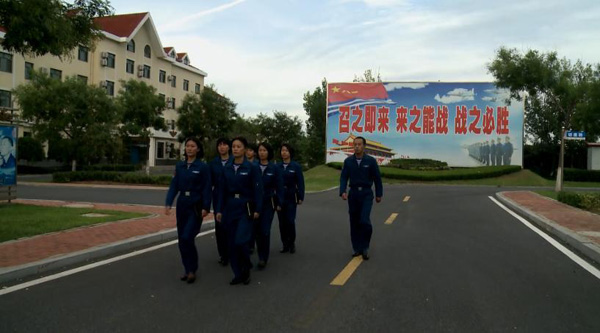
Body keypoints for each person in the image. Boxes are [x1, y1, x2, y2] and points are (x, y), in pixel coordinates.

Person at [215, 137, 263, 285]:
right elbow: (221, 190)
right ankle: (237, 273)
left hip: (245, 207)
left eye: (239, 146)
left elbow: (258, 190)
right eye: (233, 146)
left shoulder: (252, 168)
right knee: (231, 243)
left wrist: (258, 209)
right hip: (230, 207)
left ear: (244, 149)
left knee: (241, 240)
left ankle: (246, 267)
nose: (235, 149)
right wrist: (219, 209)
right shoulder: (227, 168)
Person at [165, 137, 211, 284]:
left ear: (198, 149)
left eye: (193, 146)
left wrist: (206, 206)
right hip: (182, 205)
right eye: (187, 146)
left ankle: (192, 269)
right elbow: (174, 186)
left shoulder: (203, 167)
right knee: (182, 240)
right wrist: (168, 203)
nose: (189, 148)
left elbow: (206, 188)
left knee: (187, 237)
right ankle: (187, 269)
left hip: (195, 206)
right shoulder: (180, 166)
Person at [339, 136, 383, 260]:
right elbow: (343, 177)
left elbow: (377, 179)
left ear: (364, 146)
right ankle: (356, 248)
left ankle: (365, 247)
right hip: (353, 194)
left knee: (364, 220)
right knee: (354, 222)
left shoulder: (370, 161)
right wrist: (342, 191)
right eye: (355, 144)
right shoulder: (348, 161)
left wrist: (379, 194)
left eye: (359, 144)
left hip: (366, 194)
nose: (357, 146)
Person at [255, 142, 284, 269]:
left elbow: (279, 187)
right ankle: (260, 252)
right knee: (256, 231)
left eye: (264, 150)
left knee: (265, 230)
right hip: (255, 203)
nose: (262, 152)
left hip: (269, 202)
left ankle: (263, 257)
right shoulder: (252, 167)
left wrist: (279, 202)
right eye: (260, 150)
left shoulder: (274, 168)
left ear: (269, 152)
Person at [208, 137, 233, 266]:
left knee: (232, 227)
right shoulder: (213, 163)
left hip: (233, 198)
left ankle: (233, 252)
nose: (222, 147)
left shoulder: (235, 161)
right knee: (220, 227)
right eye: (219, 145)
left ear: (229, 147)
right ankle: (223, 254)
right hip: (218, 198)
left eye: (224, 145)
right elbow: (209, 183)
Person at [276, 143, 305, 254]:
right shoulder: (277, 166)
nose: (284, 152)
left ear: (290, 153)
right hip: (280, 196)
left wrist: (301, 196)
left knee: (290, 221)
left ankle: (291, 243)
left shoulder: (295, 166)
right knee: (282, 222)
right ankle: (285, 244)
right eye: (282, 150)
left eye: (286, 150)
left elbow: (300, 183)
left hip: (291, 196)